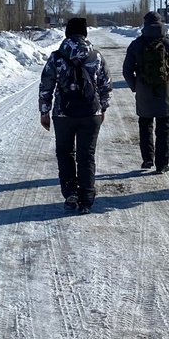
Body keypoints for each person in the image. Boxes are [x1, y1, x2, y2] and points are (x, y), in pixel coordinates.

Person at [39, 17, 112, 213]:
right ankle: (87, 199)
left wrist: (44, 113)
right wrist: (102, 108)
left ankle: (70, 194)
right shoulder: (96, 56)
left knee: (64, 153)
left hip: (64, 115)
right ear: (85, 34)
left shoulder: (56, 57)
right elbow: (106, 86)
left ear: (66, 33)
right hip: (91, 113)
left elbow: (46, 86)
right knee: (86, 155)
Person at [121, 11, 169, 173]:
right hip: (164, 91)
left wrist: (135, 87)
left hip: (144, 91)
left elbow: (127, 70)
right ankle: (162, 164)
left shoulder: (136, 44)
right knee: (164, 127)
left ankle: (147, 159)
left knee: (145, 126)